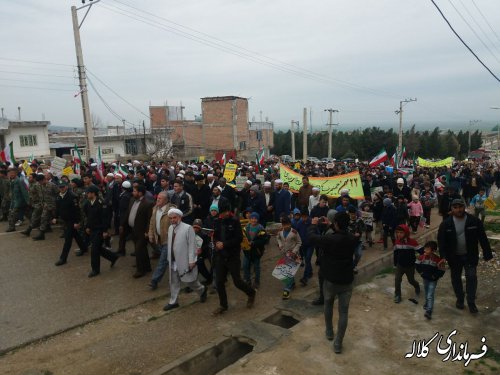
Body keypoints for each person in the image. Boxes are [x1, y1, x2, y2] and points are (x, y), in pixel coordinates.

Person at [307, 212, 358, 354]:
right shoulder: (352, 238)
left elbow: (311, 238)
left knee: (328, 304)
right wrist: (331, 225)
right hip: (347, 280)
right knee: (343, 312)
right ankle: (338, 343)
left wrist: (313, 224)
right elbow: (342, 234)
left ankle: (329, 331)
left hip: (330, 280)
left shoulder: (330, 239)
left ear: (336, 224)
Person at [437, 199, 492, 313]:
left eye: (460, 207)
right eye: (455, 207)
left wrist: (487, 253)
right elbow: (441, 242)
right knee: (456, 279)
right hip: (454, 257)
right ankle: (460, 299)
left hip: (470, 256)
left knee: (471, 278)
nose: (458, 209)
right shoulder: (446, 224)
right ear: (451, 209)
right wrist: (442, 256)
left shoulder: (474, 221)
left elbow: (483, 238)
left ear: (464, 207)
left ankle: (471, 302)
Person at [212, 201, 256, 315]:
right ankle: (223, 305)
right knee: (219, 282)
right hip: (221, 256)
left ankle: (251, 293)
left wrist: (225, 244)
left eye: (224, 212)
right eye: (221, 213)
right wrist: (216, 242)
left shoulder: (235, 222)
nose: (222, 215)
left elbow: (239, 239)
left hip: (233, 256)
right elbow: (215, 236)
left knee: (237, 281)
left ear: (228, 211)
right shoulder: (217, 221)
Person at [162, 208, 207, 311]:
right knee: (173, 282)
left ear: (180, 217)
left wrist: (192, 261)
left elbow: (192, 246)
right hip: (173, 261)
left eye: (174, 218)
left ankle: (202, 290)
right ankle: (173, 301)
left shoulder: (188, 228)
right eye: (171, 218)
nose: (172, 220)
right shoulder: (170, 228)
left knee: (190, 282)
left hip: (185, 261)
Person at [84, 185, 119, 278]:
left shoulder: (101, 203)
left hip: (99, 229)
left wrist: (105, 231)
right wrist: (87, 226)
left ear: (93, 193)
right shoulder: (88, 203)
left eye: (88, 192)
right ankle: (113, 257)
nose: (87, 194)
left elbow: (105, 219)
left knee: (94, 250)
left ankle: (95, 269)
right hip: (92, 229)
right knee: (98, 248)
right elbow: (89, 216)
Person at [122, 184, 153, 278]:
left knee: (139, 250)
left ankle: (140, 270)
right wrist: (123, 224)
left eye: (135, 191)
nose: (133, 193)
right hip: (133, 229)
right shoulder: (132, 200)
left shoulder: (148, 203)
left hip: (142, 231)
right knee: (141, 249)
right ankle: (147, 266)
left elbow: (149, 219)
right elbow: (128, 213)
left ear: (140, 193)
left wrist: (148, 231)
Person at [53, 180, 87, 266]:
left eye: (63, 187)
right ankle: (84, 248)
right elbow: (58, 208)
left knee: (68, 240)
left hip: (72, 220)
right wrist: (55, 217)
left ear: (67, 187)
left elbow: (76, 211)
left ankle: (63, 258)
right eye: (60, 187)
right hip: (65, 220)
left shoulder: (72, 196)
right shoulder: (58, 196)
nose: (61, 188)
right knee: (76, 235)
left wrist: (76, 222)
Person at [148, 192, 175, 290]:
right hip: (159, 239)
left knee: (163, 261)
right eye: (157, 198)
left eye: (160, 198)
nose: (157, 200)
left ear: (166, 200)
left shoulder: (172, 211)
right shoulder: (155, 209)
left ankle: (154, 281)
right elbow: (152, 222)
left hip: (169, 240)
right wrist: (151, 234)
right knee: (171, 261)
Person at [415, 241, 445, 320]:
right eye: (425, 249)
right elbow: (417, 265)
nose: (425, 251)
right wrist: (421, 273)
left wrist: (435, 276)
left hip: (433, 280)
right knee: (426, 291)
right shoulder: (421, 257)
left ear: (433, 251)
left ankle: (429, 311)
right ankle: (427, 303)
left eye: (427, 249)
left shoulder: (437, 259)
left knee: (430, 295)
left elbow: (442, 270)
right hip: (425, 278)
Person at [393, 224, 421, 304]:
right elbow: (395, 253)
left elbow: (421, 251)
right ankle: (397, 295)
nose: (399, 234)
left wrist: (421, 259)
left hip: (410, 266)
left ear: (406, 233)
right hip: (400, 265)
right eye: (397, 232)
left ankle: (416, 285)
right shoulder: (397, 241)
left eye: (401, 232)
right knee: (397, 280)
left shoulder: (412, 242)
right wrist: (395, 264)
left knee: (411, 280)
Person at [276, 216, 302, 300]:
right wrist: (280, 244)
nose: (285, 226)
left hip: (293, 255)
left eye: (287, 224)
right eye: (284, 225)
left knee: (288, 272)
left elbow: (299, 242)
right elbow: (278, 238)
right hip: (284, 253)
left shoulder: (294, 232)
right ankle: (292, 283)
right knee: (289, 271)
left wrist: (294, 251)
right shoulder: (280, 231)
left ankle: (286, 291)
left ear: (290, 224)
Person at [242, 212, 267, 290]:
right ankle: (247, 280)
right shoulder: (246, 227)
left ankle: (256, 282)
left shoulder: (261, 228)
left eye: (255, 218)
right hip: (247, 251)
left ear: (258, 219)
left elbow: (263, 240)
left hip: (257, 251)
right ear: (250, 219)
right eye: (252, 218)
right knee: (245, 266)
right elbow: (243, 237)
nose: (253, 220)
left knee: (256, 267)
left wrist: (253, 243)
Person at [5, 167, 28, 232]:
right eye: (10, 173)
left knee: (12, 215)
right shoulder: (11, 181)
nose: (11, 174)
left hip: (20, 201)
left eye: (12, 173)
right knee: (11, 214)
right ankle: (12, 227)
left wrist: (28, 201)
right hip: (14, 201)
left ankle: (12, 227)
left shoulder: (19, 180)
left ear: (16, 173)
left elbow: (24, 192)